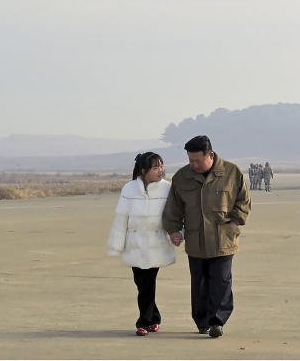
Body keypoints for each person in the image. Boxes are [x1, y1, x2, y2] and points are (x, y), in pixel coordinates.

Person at [163, 135, 251, 338]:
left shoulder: (231, 172)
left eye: (197, 160)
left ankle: (217, 321)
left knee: (221, 281)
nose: (193, 164)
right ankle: (202, 321)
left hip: (223, 239)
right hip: (196, 240)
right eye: (190, 160)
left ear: (210, 155)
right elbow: (173, 208)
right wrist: (174, 230)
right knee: (199, 283)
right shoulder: (182, 177)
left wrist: (235, 221)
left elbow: (243, 200)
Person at [107, 152, 176, 336]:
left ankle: (143, 322)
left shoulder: (167, 188)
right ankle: (154, 316)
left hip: (156, 243)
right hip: (134, 244)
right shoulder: (129, 189)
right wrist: (116, 244)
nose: (160, 170)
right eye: (155, 167)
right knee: (140, 282)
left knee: (148, 282)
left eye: (161, 166)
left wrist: (176, 234)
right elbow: (122, 218)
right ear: (144, 170)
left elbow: (173, 216)